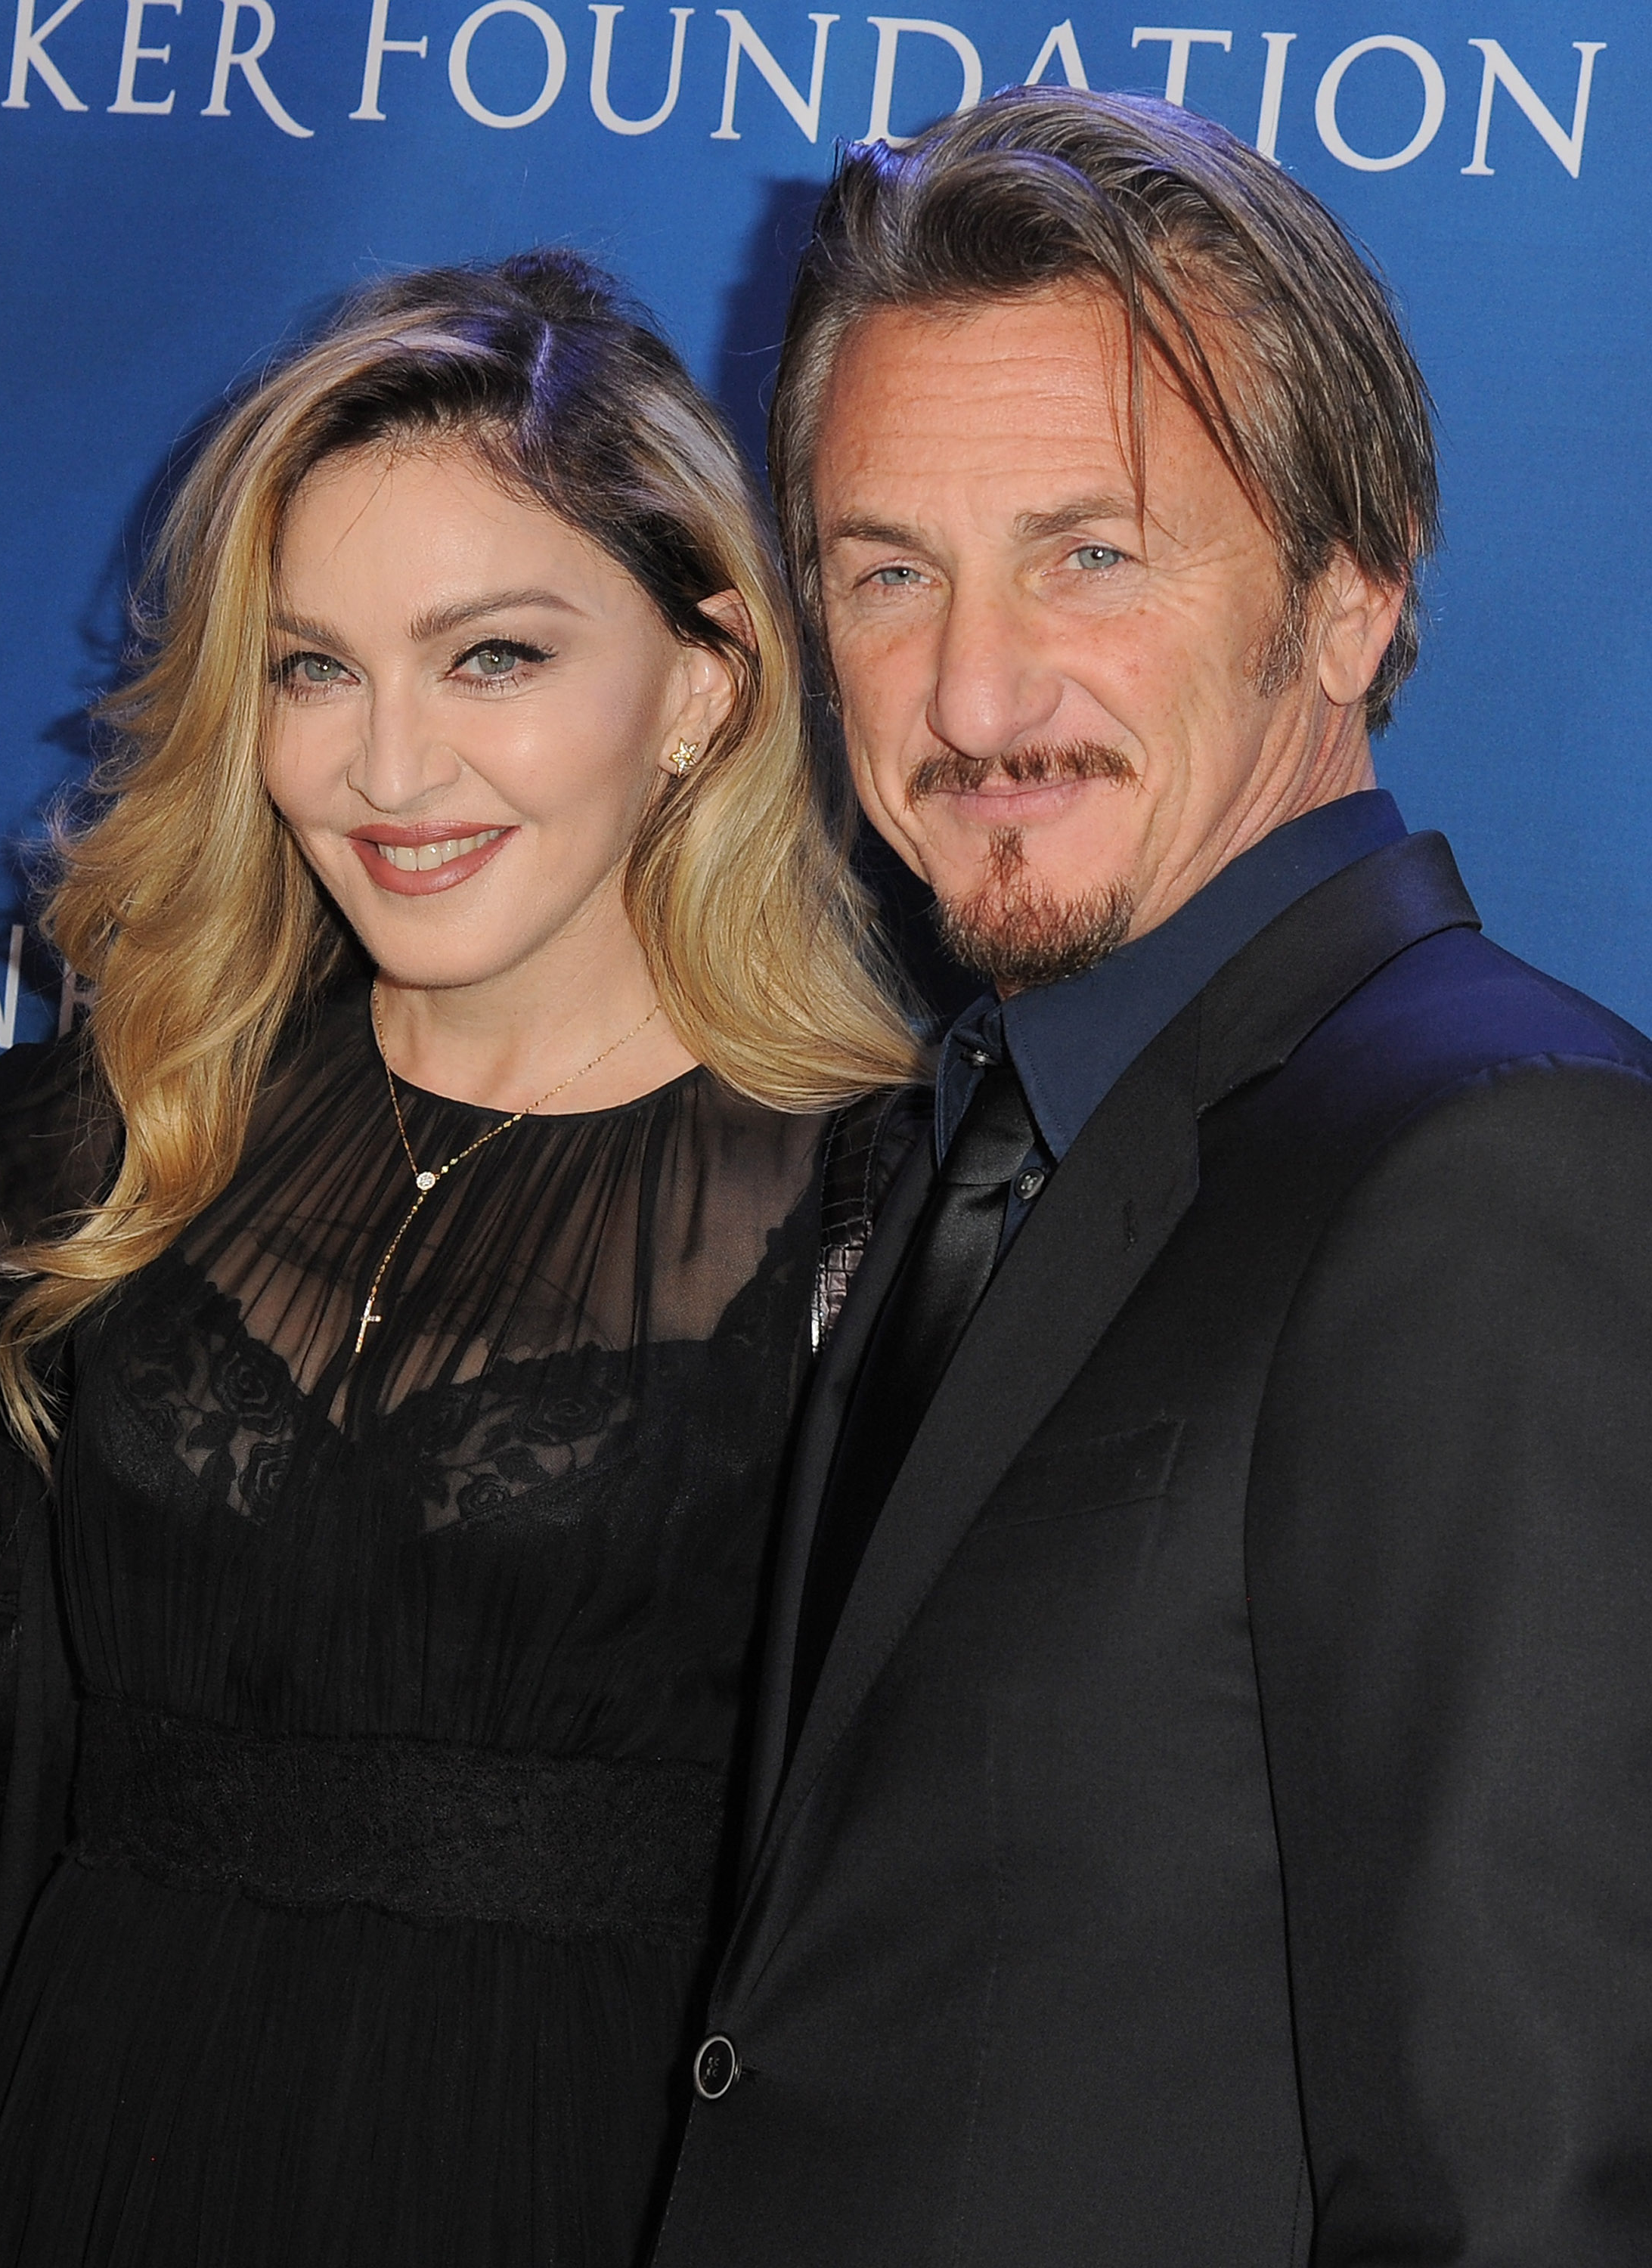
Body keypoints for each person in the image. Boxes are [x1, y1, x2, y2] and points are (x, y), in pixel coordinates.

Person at [652, 88, 1652, 2267]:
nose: (973, 687)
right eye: (887, 571)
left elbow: (1531, 2188)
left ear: (1350, 592)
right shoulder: (976, 1129)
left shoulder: (1495, 1169)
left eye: (1090, 555)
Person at [0, 250, 922, 2267]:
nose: (386, 773)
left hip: (579, 2186)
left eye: (490, 658)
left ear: (707, 682)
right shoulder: (85, 1149)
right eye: (315, 669)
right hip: (78, 2147)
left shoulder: (893, 1218)